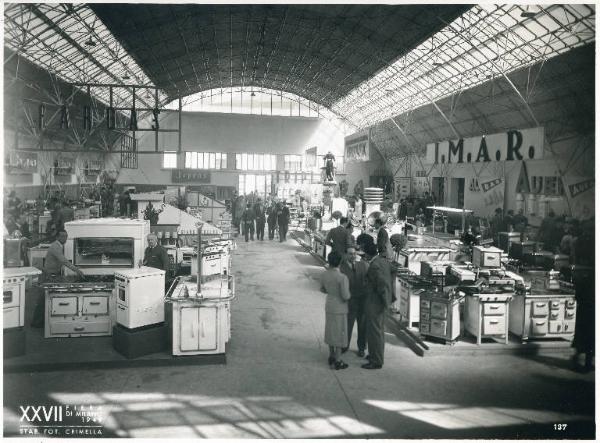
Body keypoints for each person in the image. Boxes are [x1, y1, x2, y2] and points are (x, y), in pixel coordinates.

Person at [31, 230, 85, 327]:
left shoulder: (59, 246)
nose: (65, 238)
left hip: (51, 275)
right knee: (42, 300)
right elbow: (64, 261)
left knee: (45, 299)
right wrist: (77, 270)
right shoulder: (55, 247)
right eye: (62, 236)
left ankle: (40, 322)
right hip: (47, 276)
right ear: (57, 237)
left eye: (66, 236)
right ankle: (36, 323)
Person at [362, 242, 392, 369]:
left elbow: (381, 284)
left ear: (368, 254)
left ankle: (376, 361)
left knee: (374, 332)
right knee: (378, 331)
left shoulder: (374, 265)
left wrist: (384, 302)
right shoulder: (382, 261)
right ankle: (375, 354)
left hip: (375, 302)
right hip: (381, 301)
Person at [320, 251, 351, 370]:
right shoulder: (342, 277)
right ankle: (338, 360)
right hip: (340, 308)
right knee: (339, 333)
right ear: (340, 262)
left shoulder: (324, 274)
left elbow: (322, 289)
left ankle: (331, 355)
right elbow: (346, 296)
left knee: (330, 331)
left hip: (329, 305)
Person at [340, 246, 368, 357]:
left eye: (354, 253)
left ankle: (361, 348)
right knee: (348, 324)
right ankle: (345, 346)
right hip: (350, 300)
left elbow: (366, 279)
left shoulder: (362, 265)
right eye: (350, 253)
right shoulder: (341, 268)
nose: (353, 256)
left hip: (362, 300)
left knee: (362, 325)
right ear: (346, 255)